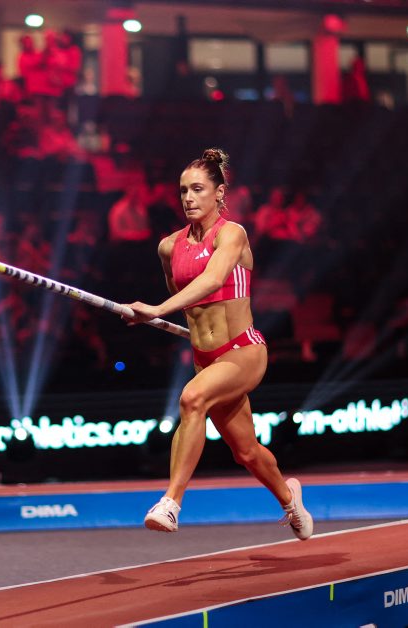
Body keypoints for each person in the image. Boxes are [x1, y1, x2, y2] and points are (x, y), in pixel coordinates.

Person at [122, 148, 313, 541]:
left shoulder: (232, 234)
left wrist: (154, 310)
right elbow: (186, 301)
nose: (188, 198)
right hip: (205, 360)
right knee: (246, 452)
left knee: (192, 399)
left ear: (219, 193)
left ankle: (171, 503)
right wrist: (153, 314)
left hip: (244, 351)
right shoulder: (168, 247)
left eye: (197, 189)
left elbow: (210, 281)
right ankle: (290, 499)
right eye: (183, 191)